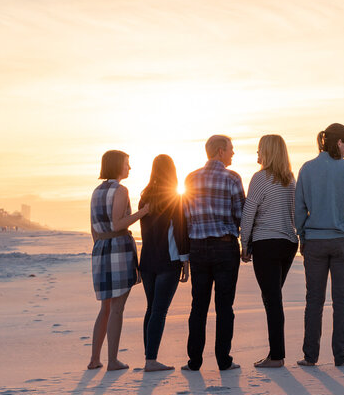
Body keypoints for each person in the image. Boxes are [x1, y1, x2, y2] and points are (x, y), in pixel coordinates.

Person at [294, 122, 344, 367]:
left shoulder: (307, 168)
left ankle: (310, 356)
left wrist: (302, 237)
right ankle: (341, 356)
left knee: (313, 301)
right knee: (341, 301)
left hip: (315, 242)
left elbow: (299, 209)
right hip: (342, 242)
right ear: (338, 142)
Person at [182, 135, 245, 372]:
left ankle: (194, 361)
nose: (233, 154)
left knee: (198, 305)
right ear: (220, 151)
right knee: (224, 306)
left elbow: (186, 214)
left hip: (198, 247)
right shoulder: (232, 178)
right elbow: (241, 215)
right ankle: (223, 360)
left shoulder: (191, 177)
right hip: (224, 246)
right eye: (231, 149)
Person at [240, 134, 299, 368]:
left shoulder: (259, 178)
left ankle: (276, 356)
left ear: (268, 151)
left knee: (272, 300)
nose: (257, 153)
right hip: (288, 244)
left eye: (259, 149)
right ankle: (276, 353)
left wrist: (244, 244)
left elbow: (248, 213)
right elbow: (296, 214)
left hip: (267, 243)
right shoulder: (290, 180)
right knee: (274, 298)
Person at [88, 150, 149, 371]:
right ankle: (112, 360)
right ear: (117, 166)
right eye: (127, 163)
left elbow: (94, 228)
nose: (129, 168)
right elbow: (117, 223)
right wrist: (144, 212)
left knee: (104, 308)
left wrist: (100, 246)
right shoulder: (121, 190)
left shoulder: (96, 191)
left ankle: (95, 359)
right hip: (118, 250)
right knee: (117, 308)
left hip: (101, 248)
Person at [138, 154, 190, 372]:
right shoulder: (174, 198)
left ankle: (149, 356)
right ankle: (151, 360)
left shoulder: (145, 198)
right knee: (159, 310)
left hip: (148, 260)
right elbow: (180, 231)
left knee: (151, 308)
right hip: (168, 261)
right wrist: (185, 261)